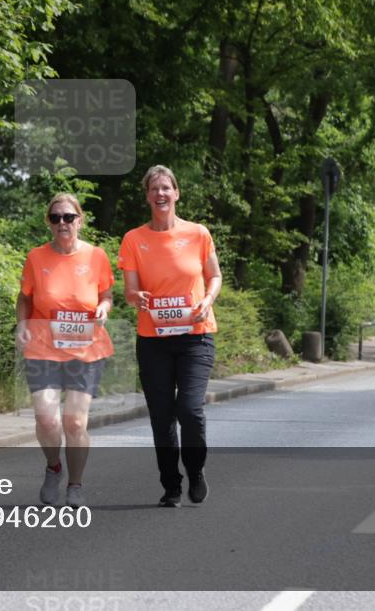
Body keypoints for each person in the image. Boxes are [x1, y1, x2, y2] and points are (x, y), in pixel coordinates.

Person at [118, 165, 222, 507]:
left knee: (190, 410)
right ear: (147, 196)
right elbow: (130, 290)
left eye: (166, 188)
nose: (160, 194)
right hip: (153, 340)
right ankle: (171, 486)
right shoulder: (134, 239)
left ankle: (195, 469)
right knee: (161, 417)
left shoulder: (198, 234)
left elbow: (214, 276)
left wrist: (208, 300)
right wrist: (136, 297)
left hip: (195, 336)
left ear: (176, 193)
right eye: (154, 189)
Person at [16, 193, 114, 508]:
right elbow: (25, 298)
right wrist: (22, 324)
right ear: (49, 222)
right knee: (47, 420)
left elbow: (107, 294)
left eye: (69, 217)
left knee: (74, 422)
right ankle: (54, 467)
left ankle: (75, 484)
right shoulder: (36, 257)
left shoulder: (96, 256)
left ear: (79, 221)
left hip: (85, 350)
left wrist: (103, 308)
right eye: (56, 217)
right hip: (43, 347)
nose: (62, 223)